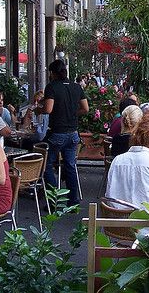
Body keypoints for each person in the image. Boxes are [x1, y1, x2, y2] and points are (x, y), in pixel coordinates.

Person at [37, 59, 89, 206]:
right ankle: (73, 202)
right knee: (70, 166)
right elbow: (85, 109)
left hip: (58, 132)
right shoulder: (76, 87)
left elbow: (48, 109)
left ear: (52, 73)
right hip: (73, 133)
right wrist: (72, 113)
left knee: (46, 165)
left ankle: (55, 202)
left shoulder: (51, 87)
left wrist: (38, 109)